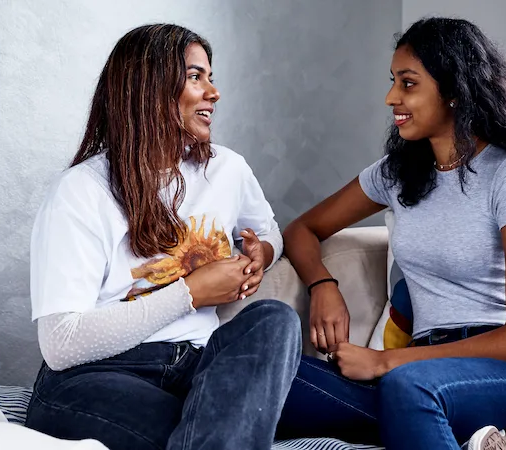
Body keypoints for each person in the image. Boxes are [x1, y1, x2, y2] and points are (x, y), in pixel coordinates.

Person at [276, 17, 506, 450]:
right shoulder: (397, 174)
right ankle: (464, 437)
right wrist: (322, 285)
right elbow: (302, 228)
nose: (391, 97)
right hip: (419, 370)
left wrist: (386, 361)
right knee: (266, 373)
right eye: (394, 81)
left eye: (408, 84)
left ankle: (440, 421)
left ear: (454, 92)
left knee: (411, 388)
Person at [24, 24, 301, 450]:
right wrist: (190, 292)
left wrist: (260, 254)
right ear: (147, 89)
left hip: (201, 365)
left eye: (210, 77)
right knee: (209, 427)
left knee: (275, 322)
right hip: (98, 374)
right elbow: (61, 344)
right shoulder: (81, 191)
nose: (214, 92)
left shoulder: (226, 169)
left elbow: (268, 233)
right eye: (195, 77)